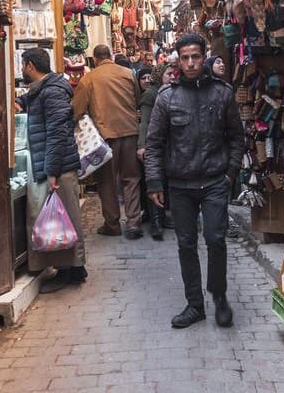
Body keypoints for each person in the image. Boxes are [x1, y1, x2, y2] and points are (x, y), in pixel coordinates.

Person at [143, 32, 248, 328]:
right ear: (179, 60)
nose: (190, 63)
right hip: (180, 185)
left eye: (196, 57)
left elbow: (237, 138)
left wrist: (230, 174)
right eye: (185, 58)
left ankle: (219, 297)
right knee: (186, 244)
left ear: (204, 58)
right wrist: (154, 183)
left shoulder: (222, 93)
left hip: (215, 180)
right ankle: (195, 305)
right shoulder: (167, 97)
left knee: (215, 239)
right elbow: (153, 144)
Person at [20, 47, 88, 292]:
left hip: (58, 167)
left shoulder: (52, 92)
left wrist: (51, 170)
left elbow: (58, 133)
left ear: (30, 66)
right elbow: (34, 102)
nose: (21, 70)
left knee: (63, 218)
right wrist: (20, 101)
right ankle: (73, 268)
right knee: (64, 217)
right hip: (55, 164)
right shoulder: (46, 91)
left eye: (22, 65)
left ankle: (69, 270)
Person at [73, 43, 145, 239]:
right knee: (131, 178)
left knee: (107, 181)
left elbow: (77, 110)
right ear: (111, 56)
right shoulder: (128, 73)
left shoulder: (89, 78)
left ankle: (112, 224)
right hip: (130, 131)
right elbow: (137, 98)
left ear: (95, 59)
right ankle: (133, 222)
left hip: (105, 136)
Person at [136, 69, 166, 240]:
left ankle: (158, 217)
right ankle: (156, 221)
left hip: (165, 144)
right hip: (153, 144)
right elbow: (145, 122)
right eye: (168, 73)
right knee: (155, 180)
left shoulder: (168, 92)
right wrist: (142, 145)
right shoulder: (151, 94)